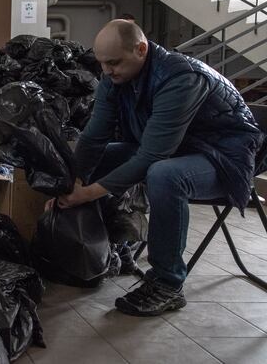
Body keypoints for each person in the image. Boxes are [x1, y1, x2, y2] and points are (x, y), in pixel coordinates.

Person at [49, 19, 263, 316]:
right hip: (177, 150)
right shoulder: (116, 79)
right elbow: (94, 137)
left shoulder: (182, 78)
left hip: (223, 158)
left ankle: (167, 283)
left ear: (140, 49)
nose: (107, 71)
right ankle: (113, 246)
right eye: (102, 64)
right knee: (99, 157)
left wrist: (88, 194)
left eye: (114, 62)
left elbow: (152, 156)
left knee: (163, 175)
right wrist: (75, 182)